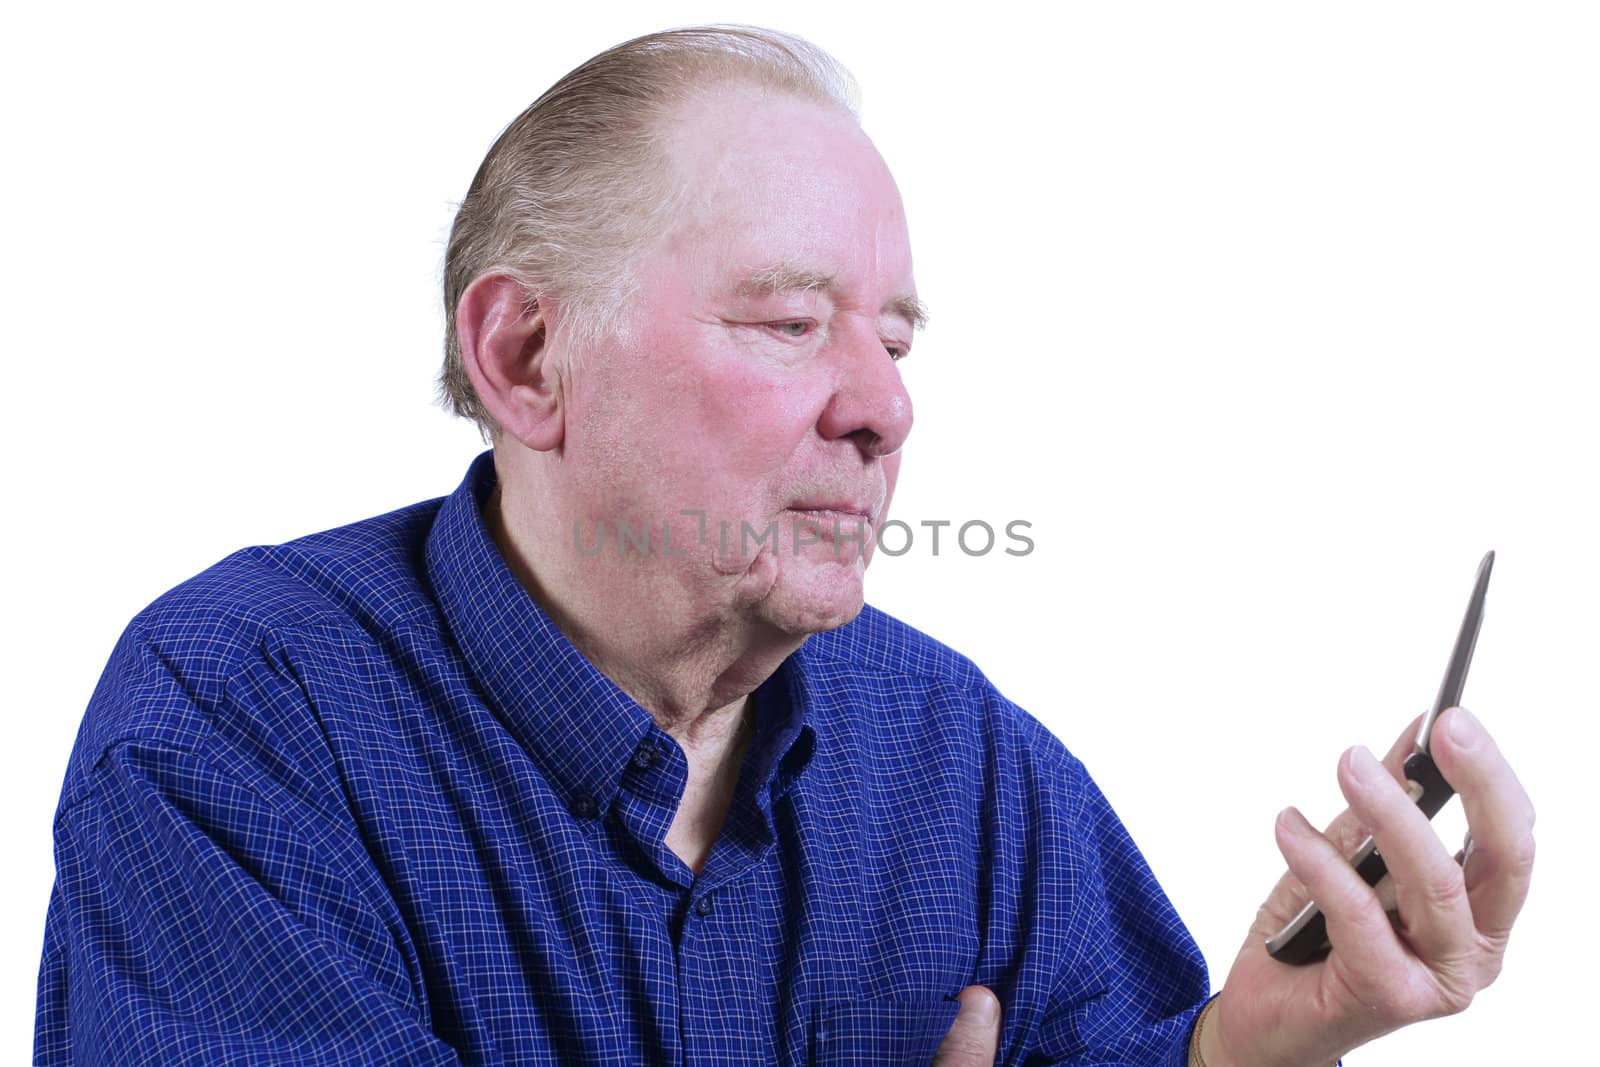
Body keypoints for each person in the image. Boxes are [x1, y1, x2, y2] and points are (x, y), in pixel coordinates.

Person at [35, 26, 1533, 1067]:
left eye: (894, 337)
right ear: (525, 355)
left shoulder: (962, 758)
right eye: (790, 321)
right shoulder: (238, 719)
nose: (884, 408)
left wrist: (1248, 1047)